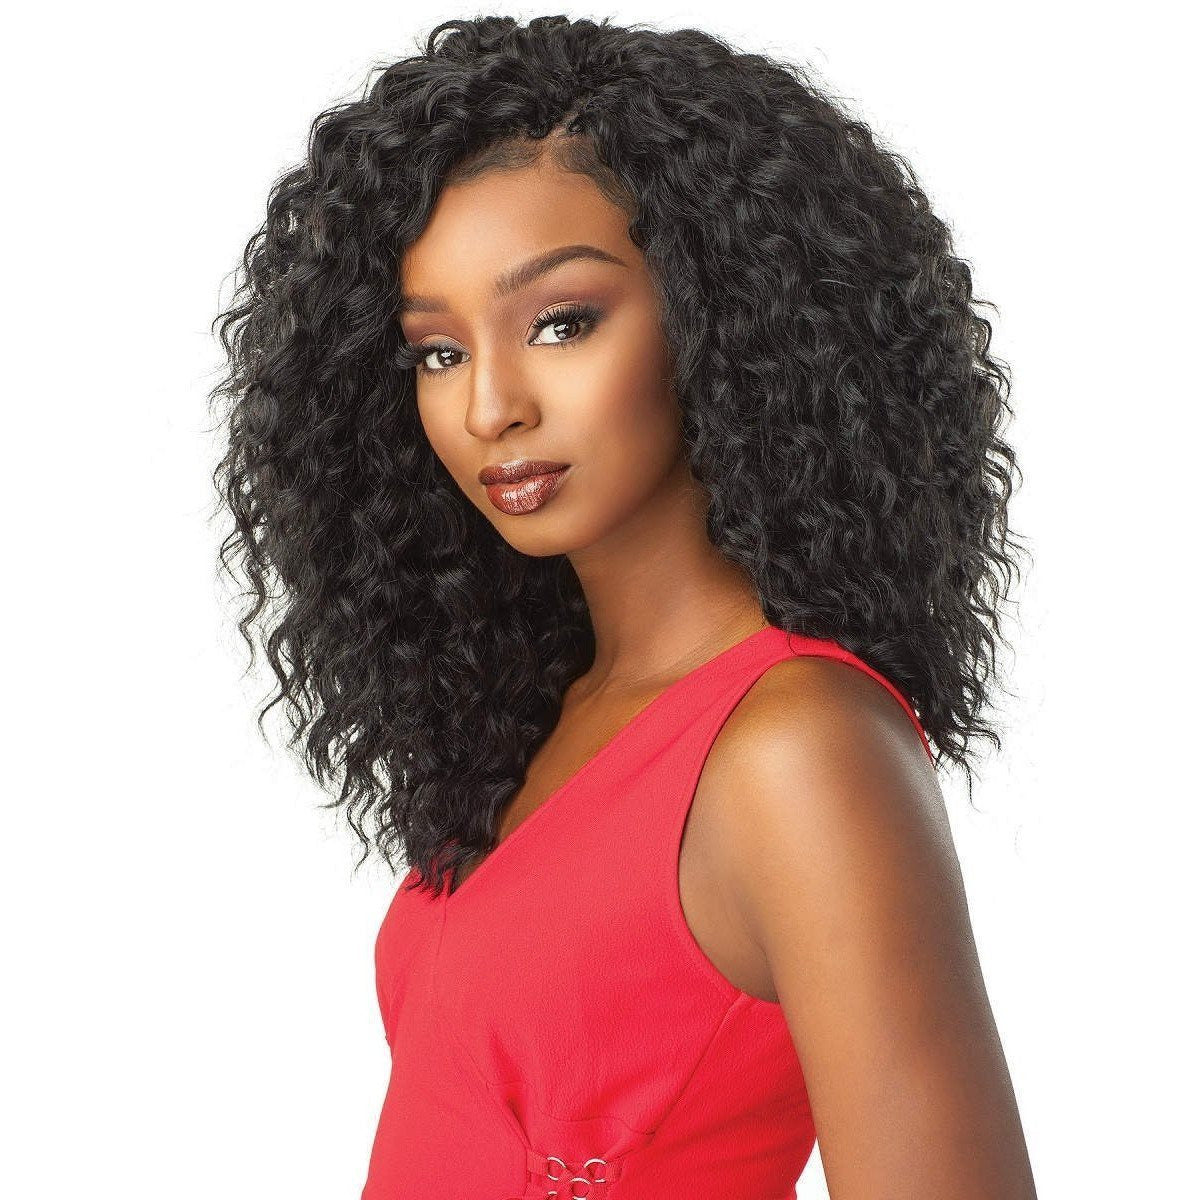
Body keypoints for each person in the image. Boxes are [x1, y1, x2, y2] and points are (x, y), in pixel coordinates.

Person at [210, 14, 1036, 1199]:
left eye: (562, 323)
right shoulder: (552, 713)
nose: (490, 406)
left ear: (722, 313)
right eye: (437, 352)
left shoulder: (797, 746)